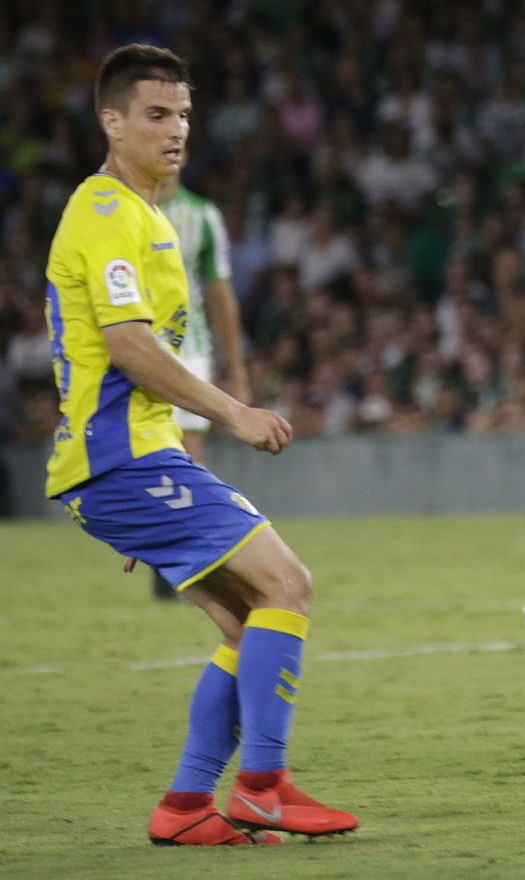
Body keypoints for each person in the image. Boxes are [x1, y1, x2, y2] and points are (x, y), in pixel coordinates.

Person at [44, 44, 357, 845]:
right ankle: (261, 785)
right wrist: (234, 414)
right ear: (111, 122)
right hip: (124, 461)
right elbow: (129, 347)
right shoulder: (108, 211)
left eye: (184, 113)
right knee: (287, 583)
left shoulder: (145, 214)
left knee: (248, 619)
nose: (177, 129)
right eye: (156, 114)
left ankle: (184, 808)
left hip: (131, 464)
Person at [147, 154, 250, 600]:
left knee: (188, 460)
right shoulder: (128, 210)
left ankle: (186, 566)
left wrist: (237, 368)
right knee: (151, 456)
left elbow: (220, 295)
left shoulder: (204, 217)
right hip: (142, 351)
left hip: (191, 351)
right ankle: (169, 555)